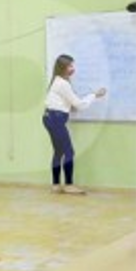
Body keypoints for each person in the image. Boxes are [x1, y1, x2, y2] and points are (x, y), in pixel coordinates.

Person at [43, 54, 106, 195]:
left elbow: (65, 103)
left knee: (59, 152)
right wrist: (94, 95)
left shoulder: (57, 80)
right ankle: (69, 185)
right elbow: (80, 104)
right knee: (69, 152)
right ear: (63, 68)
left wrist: (70, 107)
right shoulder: (63, 84)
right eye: (70, 66)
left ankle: (55, 185)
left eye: (73, 65)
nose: (73, 68)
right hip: (55, 119)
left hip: (49, 118)